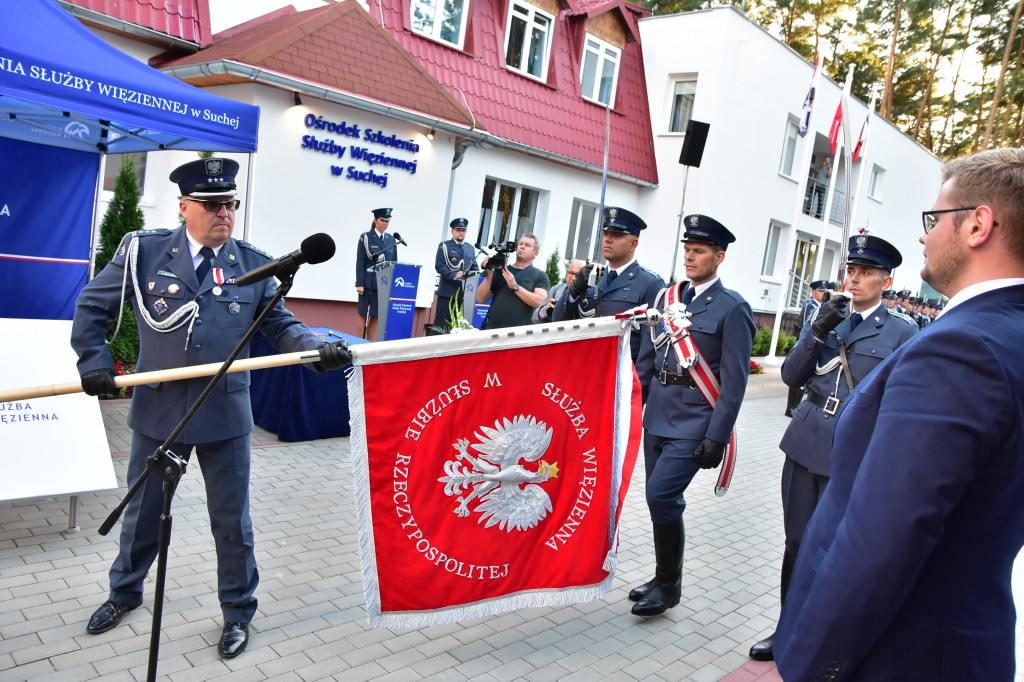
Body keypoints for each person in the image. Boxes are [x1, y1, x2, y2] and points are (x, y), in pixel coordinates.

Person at [72, 158, 351, 659]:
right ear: (184, 207)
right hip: (160, 412)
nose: (224, 212)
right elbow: (92, 306)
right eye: (212, 204)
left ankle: (238, 611)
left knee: (231, 519)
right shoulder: (145, 252)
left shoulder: (254, 265)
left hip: (224, 414)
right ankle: (125, 592)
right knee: (143, 513)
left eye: (231, 204)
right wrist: (94, 362)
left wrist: (315, 349)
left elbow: (282, 327)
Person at [774, 148, 1024, 680]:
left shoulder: (959, 348)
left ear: (978, 224)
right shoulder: (1008, 333)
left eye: (933, 220)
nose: (923, 236)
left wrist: (812, 663)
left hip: (899, 652)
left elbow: (881, 540)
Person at [748, 234, 917, 663]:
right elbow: (790, 375)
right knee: (796, 542)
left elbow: (900, 397)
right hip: (806, 441)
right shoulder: (828, 319)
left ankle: (825, 631)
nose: (855, 279)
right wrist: (818, 329)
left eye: (866, 273)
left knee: (838, 546)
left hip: (854, 449)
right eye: (852, 271)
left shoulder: (901, 331)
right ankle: (787, 628)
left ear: (886, 280)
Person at [631, 214, 755, 617]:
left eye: (699, 251)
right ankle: (661, 576)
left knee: (661, 495)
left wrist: (717, 435)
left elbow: (734, 381)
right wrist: (635, 408)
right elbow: (649, 357)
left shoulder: (732, 307)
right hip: (660, 413)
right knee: (658, 502)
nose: (690, 256)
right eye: (687, 249)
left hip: (696, 418)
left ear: (718, 257)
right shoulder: (668, 299)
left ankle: (669, 586)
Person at [552, 207, 665, 362]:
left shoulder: (650, 283)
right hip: (585, 366)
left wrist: (639, 383)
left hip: (622, 371)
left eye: (617, 235)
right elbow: (558, 322)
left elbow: (651, 343)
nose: (608, 239)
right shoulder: (592, 276)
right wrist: (574, 290)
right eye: (606, 234)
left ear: (633, 244)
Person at [476, 233, 549, 329]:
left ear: (536, 253)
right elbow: (481, 299)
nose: (522, 247)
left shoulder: (540, 275)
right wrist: (489, 274)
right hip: (492, 329)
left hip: (518, 333)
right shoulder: (501, 270)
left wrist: (515, 286)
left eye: (527, 245)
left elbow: (540, 302)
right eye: (521, 244)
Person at [784, 279, 830, 417]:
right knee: (798, 374)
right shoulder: (810, 306)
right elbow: (806, 325)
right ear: (813, 291)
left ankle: (795, 405)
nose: (822, 293)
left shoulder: (823, 306)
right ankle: (791, 407)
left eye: (824, 291)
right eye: (820, 291)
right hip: (805, 342)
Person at [355, 208, 398, 340]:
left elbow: (393, 263)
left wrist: (392, 285)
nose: (385, 223)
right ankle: (359, 341)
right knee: (363, 313)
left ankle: (370, 343)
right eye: (382, 220)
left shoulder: (391, 240)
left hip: (383, 284)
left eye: (387, 221)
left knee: (376, 314)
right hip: (368, 282)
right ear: (375, 220)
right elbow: (360, 261)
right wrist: (360, 283)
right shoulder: (366, 237)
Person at [432, 217, 477, 332]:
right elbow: (439, 266)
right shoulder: (445, 246)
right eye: (458, 230)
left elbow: (474, 267)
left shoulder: (470, 248)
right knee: (441, 325)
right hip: (448, 292)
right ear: (452, 231)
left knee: (459, 326)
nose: (461, 232)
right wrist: (454, 274)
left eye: (463, 230)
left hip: (465, 294)